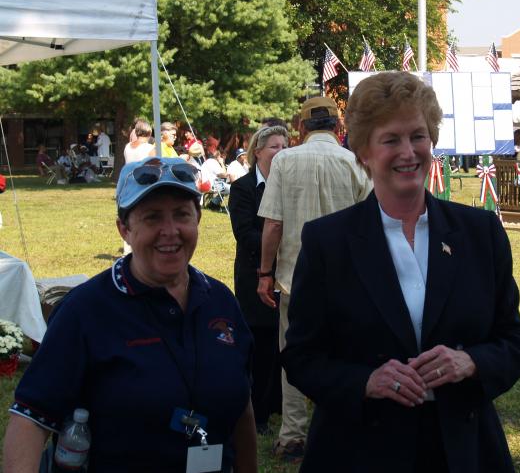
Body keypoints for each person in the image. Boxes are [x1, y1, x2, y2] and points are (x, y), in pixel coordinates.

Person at [281, 72, 520, 472]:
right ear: (363, 152)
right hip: (360, 450)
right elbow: (301, 357)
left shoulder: (479, 233)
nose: (408, 151)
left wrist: (471, 363)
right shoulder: (327, 242)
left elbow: (516, 338)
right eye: (391, 139)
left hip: (463, 449)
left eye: (418, 135)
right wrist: (365, 381)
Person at [3, 157, 257, 473]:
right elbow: (31, 419)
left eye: (181, 215)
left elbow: (242, 407)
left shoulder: (221, 301)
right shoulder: (85, 311)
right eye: (152, 218)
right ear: (124, 229)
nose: (170, 231)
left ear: (198, 219)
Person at [256, 96, 371, 462]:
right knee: (344, 353)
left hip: (295, 278)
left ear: (301, 128)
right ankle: (341, 427)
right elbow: (372, 223)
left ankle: (292, 436)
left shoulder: (285, 161)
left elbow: (273, 223)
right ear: (338, 127)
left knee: (293, 356)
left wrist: (264, 273)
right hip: (348, 279)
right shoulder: (354, 162)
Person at [229, 125, 289, 436]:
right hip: (255, 274)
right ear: (258, 152)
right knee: (261, 341)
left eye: (284, 146)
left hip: (286, 273)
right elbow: (245, 234)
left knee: (283, 339)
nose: (280, 152)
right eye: (274, 147)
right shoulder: (242, 188)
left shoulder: (291, 184)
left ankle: (279, 401)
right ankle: (258, 411)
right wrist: (278, 243)